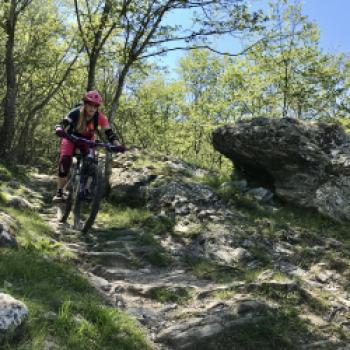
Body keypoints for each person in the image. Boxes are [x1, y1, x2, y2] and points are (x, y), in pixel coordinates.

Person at [52, 90, 124, 202]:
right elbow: (63, 123)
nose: (92, 108)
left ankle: (86, 190)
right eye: (90, 104)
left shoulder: (100, 117)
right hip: (71, 138)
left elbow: (109, 133)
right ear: (85, 103)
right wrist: (59, 129)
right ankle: (60, 192)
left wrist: (118, 145)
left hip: (87, 141)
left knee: (91, 164)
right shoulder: (76, 112)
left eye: (95, 106)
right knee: (65, 161)